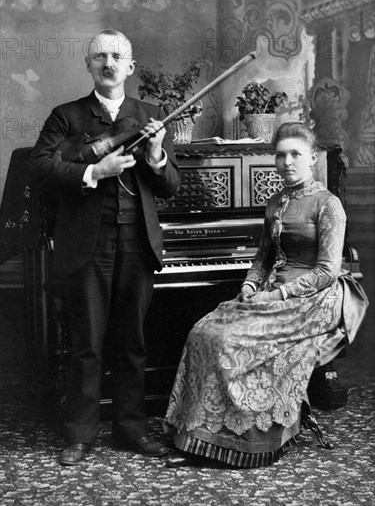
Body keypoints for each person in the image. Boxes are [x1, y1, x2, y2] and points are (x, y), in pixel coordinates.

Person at [164, 121, 368, 468]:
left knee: (232, 342)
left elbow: (326, 272)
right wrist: (250, 285)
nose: (286, 162)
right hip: (272, 293)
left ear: (313, 157)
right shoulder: (275, 201)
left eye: (295, 154)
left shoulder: (328, 204)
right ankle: (202, 435)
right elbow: (263, 256)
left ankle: (246, 441)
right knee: (203, 332)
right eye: (279, 155)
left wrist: (274, 297)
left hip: (314, 300)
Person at [28, 29, 180, 466]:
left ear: (130, 67)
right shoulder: (66, 115)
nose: (109, 63)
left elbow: (170, 188)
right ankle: (80, 433)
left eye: (118, 56)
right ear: (89, 65)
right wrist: (97, 170)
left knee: (132, 342)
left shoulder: (152, 114)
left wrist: (156, 156)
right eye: (100, 57)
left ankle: (131, 429)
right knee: (87, 343)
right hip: (86, 246)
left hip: (137, 242)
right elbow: (39, 170)